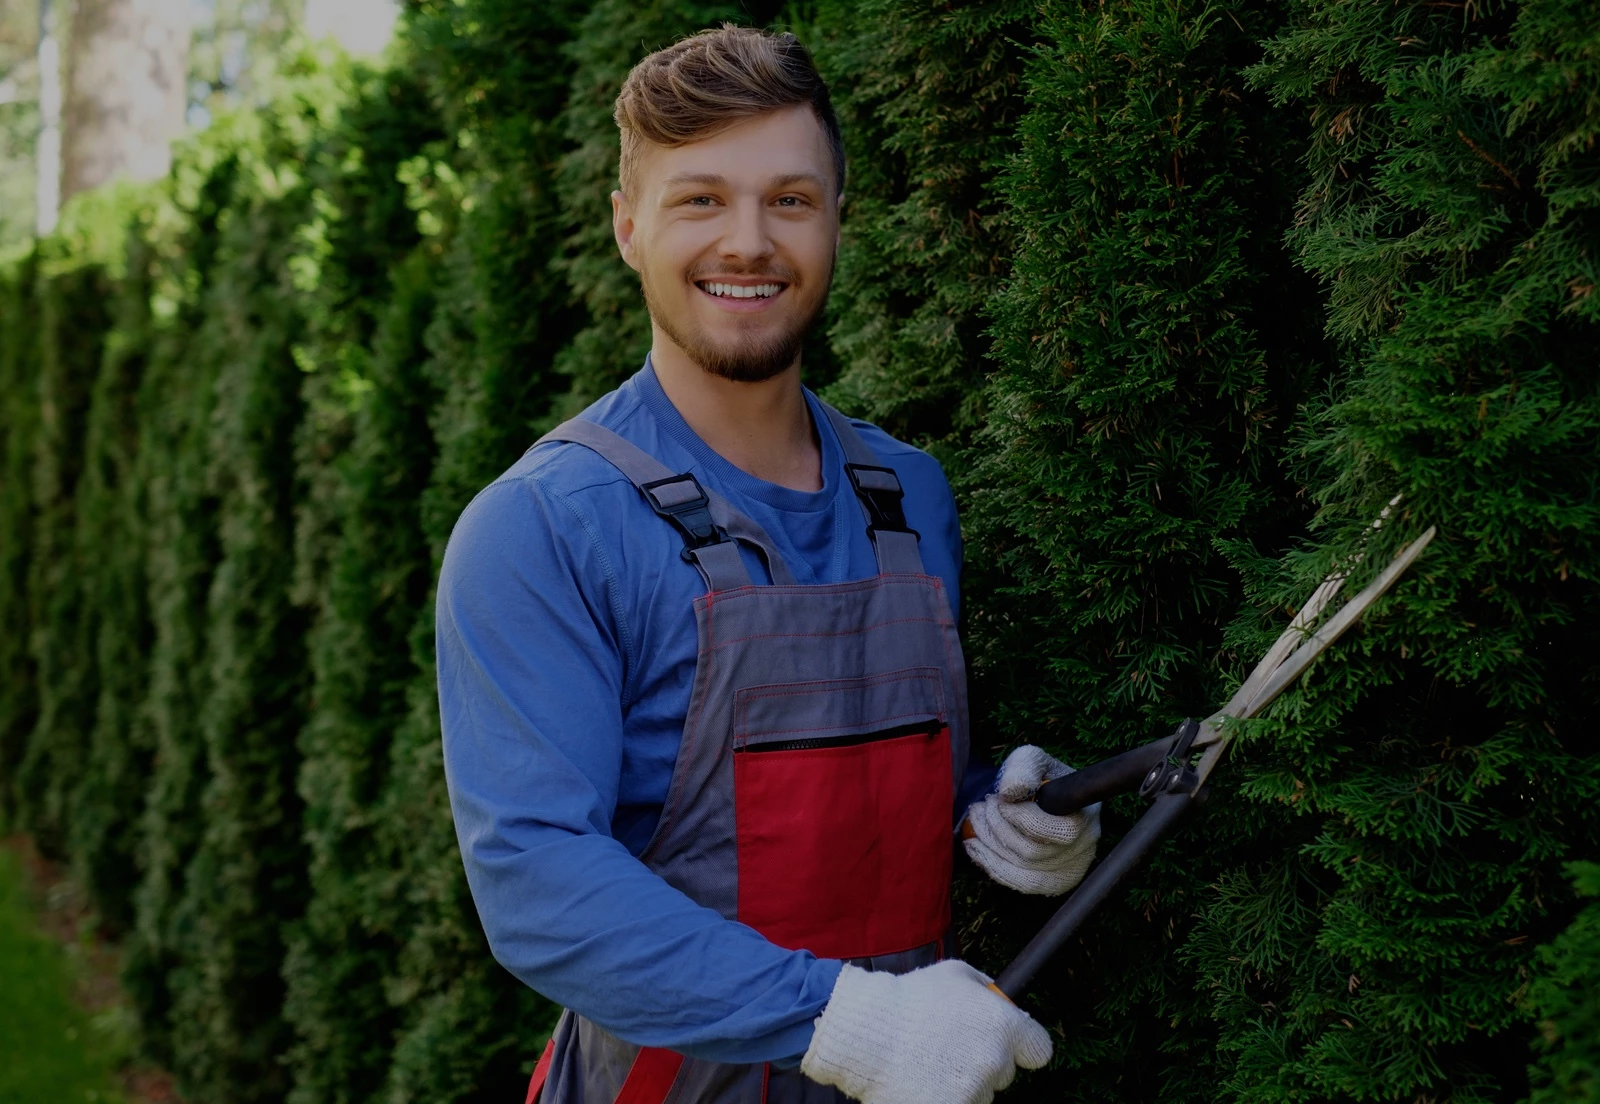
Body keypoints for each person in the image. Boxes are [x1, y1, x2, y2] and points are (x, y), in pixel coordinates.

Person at [437, 26, 1101, 1104]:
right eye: (700, 200)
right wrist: (845, 1025)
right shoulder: (544, 527)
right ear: (627, 226)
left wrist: (995, 809)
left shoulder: (907, 497)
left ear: (837, 218)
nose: (747, 242)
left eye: (788, 199)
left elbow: (848, 795)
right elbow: (536, 881)